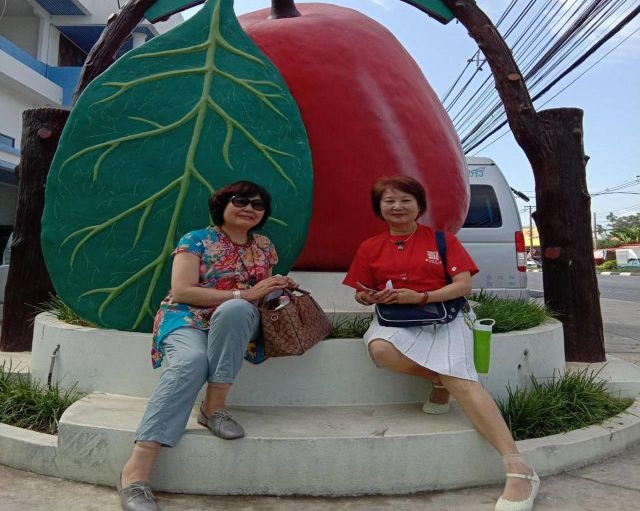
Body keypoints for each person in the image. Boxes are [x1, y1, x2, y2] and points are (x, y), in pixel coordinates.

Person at [344, 175, 540, 511]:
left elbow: (463, 286)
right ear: (379, 208)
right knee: (380, 350)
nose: (397, 206)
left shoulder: (442, 240)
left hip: (446, 316)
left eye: (405, 199)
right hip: (396, 319)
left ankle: (518, 467)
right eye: (389, 201)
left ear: (419, 205)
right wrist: (368, 296)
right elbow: (362, 289)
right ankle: (437, 378)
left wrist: (422, 297)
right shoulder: (370, 247)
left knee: (461, 380)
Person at [118, 180, 296, 511]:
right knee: (190, 363)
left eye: (258, 205)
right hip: (185, 318)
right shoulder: (196, 240)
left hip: (232, 324)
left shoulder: (264, 246)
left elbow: (258, 297)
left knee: (237, 310)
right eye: (240, 201)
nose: (249, 208)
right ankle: (136, 471)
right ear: (222, 205)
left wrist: (275, 287)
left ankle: (213, 409)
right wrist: (245, 293)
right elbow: (183, 291)